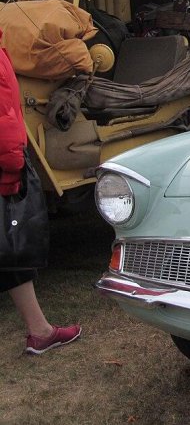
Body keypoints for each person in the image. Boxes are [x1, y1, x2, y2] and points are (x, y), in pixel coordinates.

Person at [1, 28, 81, 355]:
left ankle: (40, 330)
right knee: (13, 243)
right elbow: (4, 114)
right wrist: (12, 166)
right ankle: (40, 331)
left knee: (10, 248)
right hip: (4, 163)